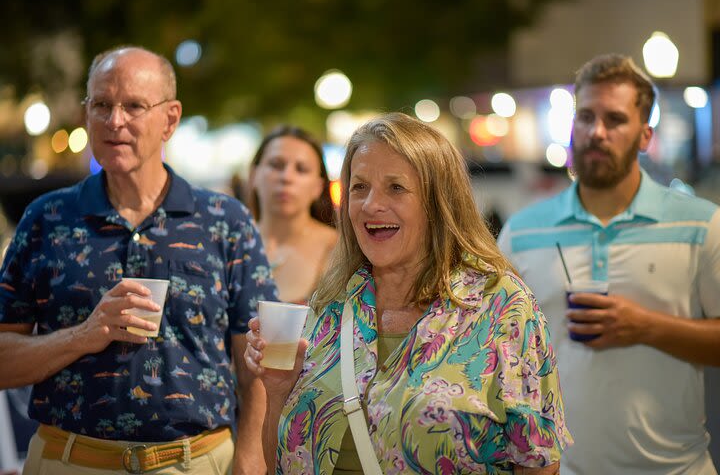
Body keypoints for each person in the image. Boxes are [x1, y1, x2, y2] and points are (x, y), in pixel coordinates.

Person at [0, 46, 277, 474]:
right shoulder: (46, 218)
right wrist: (85, 334)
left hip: (197, 462)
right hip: (68, 460)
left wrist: (251, 454)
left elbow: (256, 355)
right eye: (102, 105)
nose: (115, 122)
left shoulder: (225, 220)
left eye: (133, 106)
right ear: (85, 113)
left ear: (170, 118)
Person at [245, 112, 572, 474]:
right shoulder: (331, 304)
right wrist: (277, 393)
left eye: (396, 188)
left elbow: (537, 463)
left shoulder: (502, 307)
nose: (371, 205)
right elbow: (284, 461)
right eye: (359, 187)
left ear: (437, 202)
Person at [498, 54, 720, 474]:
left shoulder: (702, 223)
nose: (596, 132)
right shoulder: (522, 233)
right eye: (585, 116)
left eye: (615, 120)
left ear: (644, 135)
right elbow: (500, 352)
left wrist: (646, 326)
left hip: (678, 468)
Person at [247, 125, 337, 303]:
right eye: (276, 165)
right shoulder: (231, 244)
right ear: (253, 175)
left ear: (318, 187)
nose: (287, 177)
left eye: (301, 169)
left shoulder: (340, 250)